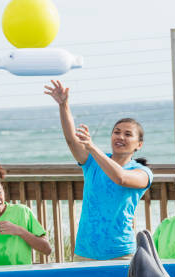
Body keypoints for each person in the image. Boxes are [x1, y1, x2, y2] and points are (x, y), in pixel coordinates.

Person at [45, 80, 153, 261]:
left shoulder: (142, 173)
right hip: (84, 251)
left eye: (127, 134)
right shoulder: (92, 163)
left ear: (139, 145)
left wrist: (92, 147)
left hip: (120, 253)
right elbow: (72, 140)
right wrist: (64, 105)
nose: (120, 136)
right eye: (117, 132)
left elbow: (121, 178)